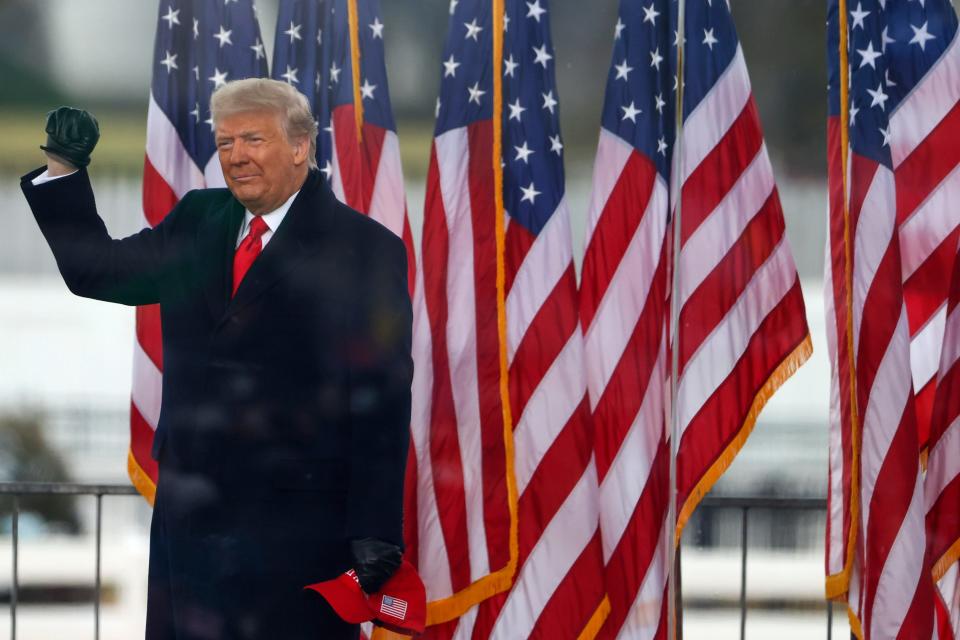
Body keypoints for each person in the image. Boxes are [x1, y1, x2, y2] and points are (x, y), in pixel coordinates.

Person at [19, 79, 413, 640]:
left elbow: (383, 398)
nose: (236, 157)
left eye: (253, 139)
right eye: (225, 143)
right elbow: (97, 271)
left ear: (300, 146)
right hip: (191, 527)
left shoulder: (365, 248)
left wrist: (376, 531)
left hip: (299, 537)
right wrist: (64, 167)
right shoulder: (198, 219)